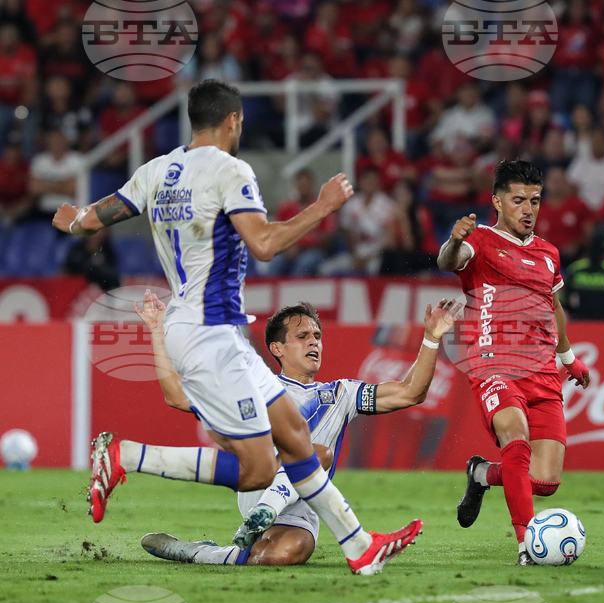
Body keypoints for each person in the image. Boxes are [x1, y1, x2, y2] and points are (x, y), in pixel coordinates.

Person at [50, 80, 420, 577]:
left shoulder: (155, 171)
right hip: (209, 332)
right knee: (257, 470)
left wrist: (73, 221)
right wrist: (324, 207)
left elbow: (96, 218)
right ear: (233, 121)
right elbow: (264, 243)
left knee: (294, 439)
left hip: (211, 330)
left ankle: (359, 546)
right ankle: (125, 456)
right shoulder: (230, 170)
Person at [136, 295, 461, 567]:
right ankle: (262, 513)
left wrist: (432, 337)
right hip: (257, 490)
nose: (313, 342)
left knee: (289, 552)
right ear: (277, 349)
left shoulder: (342, 394)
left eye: (317, 336)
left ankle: (201, 552)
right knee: (317, 453)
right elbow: (176, 396)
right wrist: (156, 330)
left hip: (299, 513)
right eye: (303, 336)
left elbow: (410, 393)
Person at [436, 160, 591, 565]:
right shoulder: (481, 241)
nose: (528, 209)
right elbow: (448, 261)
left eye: (535, 201)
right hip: (494, 365)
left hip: (542, 373)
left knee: (544, 481)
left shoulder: (548, 253)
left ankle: (481, 474)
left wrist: (569, 358)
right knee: (516, 439)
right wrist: (454, 241)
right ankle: (527, 546)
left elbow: (553, 305)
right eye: (518, 200)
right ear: (497, 201)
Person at [62, 227, 120, 291]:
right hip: (77, 291)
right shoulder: (76, 250)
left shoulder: (108, 251)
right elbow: (66, 272)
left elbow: (112, 275)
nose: (97, 235)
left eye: (100, 231)